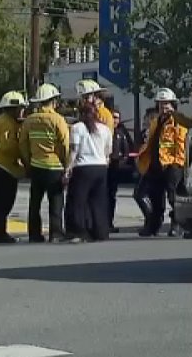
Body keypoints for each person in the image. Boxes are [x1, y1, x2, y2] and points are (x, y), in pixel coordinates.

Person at [19, 83, 70, 243]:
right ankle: (55, 234)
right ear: (53, 101)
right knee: (56, 202)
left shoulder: (29, 120)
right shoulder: (57, 119)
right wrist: (66, 165)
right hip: (54, 167)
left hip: (36, 166)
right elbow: (65, 145)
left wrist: (28, 163)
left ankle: (34, 234)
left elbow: (23, 143)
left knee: (35, 203)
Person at [135, 88, 189, 237]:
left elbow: (181, 144)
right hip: (155, 164)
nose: (163, 107)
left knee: (173, 197)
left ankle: (177, 225)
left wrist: (178, 164)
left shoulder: (179, 121)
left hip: (172, 164)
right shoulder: (156, 121)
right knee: (153, 197)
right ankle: (153, 226)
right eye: (161, 104)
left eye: (166, 104)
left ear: (173, 105)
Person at [64, 99, 113, 242]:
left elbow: (74, 150)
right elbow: (108, 150)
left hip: (83, 168)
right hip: (101, 167)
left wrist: (68, 168)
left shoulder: (77, 128)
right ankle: (100, 232)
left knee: (78, 201)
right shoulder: (105, 129)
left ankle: (79, 232)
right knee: (98, 202)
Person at [0, 91, 28, 244]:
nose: (22, 111)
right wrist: (23, 155)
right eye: (21, 108)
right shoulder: (9, 124)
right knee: (4, 204)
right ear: (13, 109)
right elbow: (8, 147)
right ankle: (0, 234)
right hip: (5, 169)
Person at [103, 94, 133, 233]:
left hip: (115, 168)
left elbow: (128, 150)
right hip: (104, 167)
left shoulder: (122, 132)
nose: (115, 120)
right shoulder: (105, 131)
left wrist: (123, 162)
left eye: (117, 118)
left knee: (111, 197)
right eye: (113, 117)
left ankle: (109, 222)